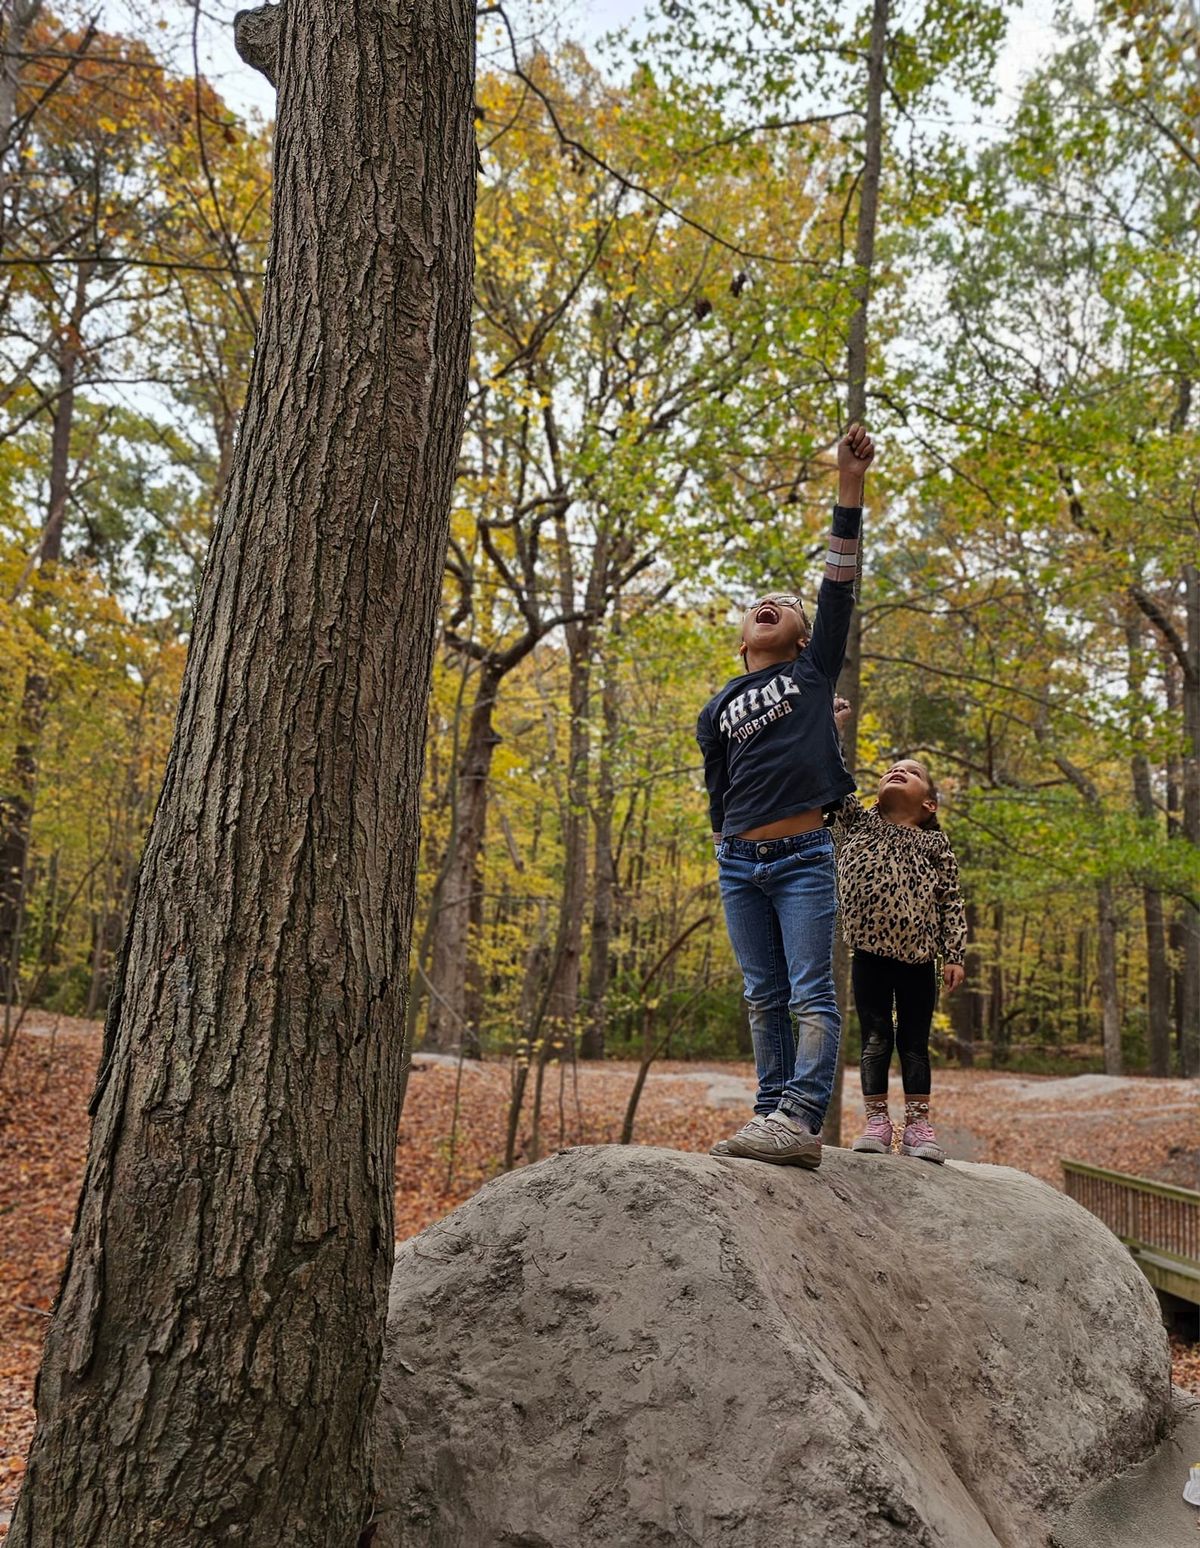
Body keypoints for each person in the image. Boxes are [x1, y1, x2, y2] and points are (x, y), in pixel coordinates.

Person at [697, 423, 874, 1168]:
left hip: (802, 857)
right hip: (738, 862)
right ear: (744, 639)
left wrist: (849, 485)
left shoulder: (809, 675)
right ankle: (770, 1113)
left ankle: (800, 1116)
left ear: (804, 640)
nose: (769, 603)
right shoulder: (715, 708)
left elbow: (837, 584)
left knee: (810, 993)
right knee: (762, 995)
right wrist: (722, 844)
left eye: (784, 602)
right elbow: (721, 788)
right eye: (757, 603)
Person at [831, 759, 967, 1164]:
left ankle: (917, 1126)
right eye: (891, 769)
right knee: (875, 1038)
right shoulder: (858, 823)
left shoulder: (936, 846)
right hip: (869, 953)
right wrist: (827, 726)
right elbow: (831, 780)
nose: (897, 771)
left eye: (911, 772)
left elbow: (951, 900)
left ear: (930, 804)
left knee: (913, 1044)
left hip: (920, 958)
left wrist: (954, 954)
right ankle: (877, 1122)